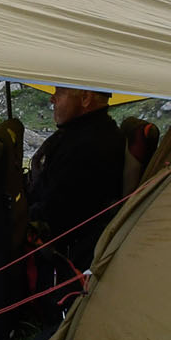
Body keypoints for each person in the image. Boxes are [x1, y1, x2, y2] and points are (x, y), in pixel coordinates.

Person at [26, 87, 126, 282]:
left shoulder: (91, 146)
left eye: (60, 92)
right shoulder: (84, 133)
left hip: (52, 247)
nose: (52, 98)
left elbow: (56, 214)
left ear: (86, 98)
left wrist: (15, 217)